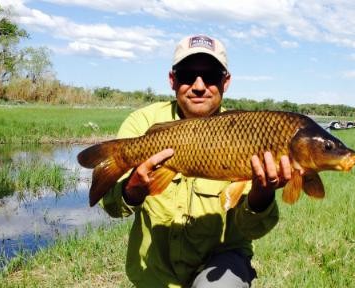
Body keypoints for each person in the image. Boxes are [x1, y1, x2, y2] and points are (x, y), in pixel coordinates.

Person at [99, 35, 291, 287]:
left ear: (226, 82)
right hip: (155, 271)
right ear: (172, 79)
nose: (199, 85)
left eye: (211, 75)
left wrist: (262, 195)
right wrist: (133, 189)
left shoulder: (247, 131)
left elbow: (252, 230)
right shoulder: (142, 124)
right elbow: (113, 208)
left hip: (220, 263)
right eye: (188, 74)